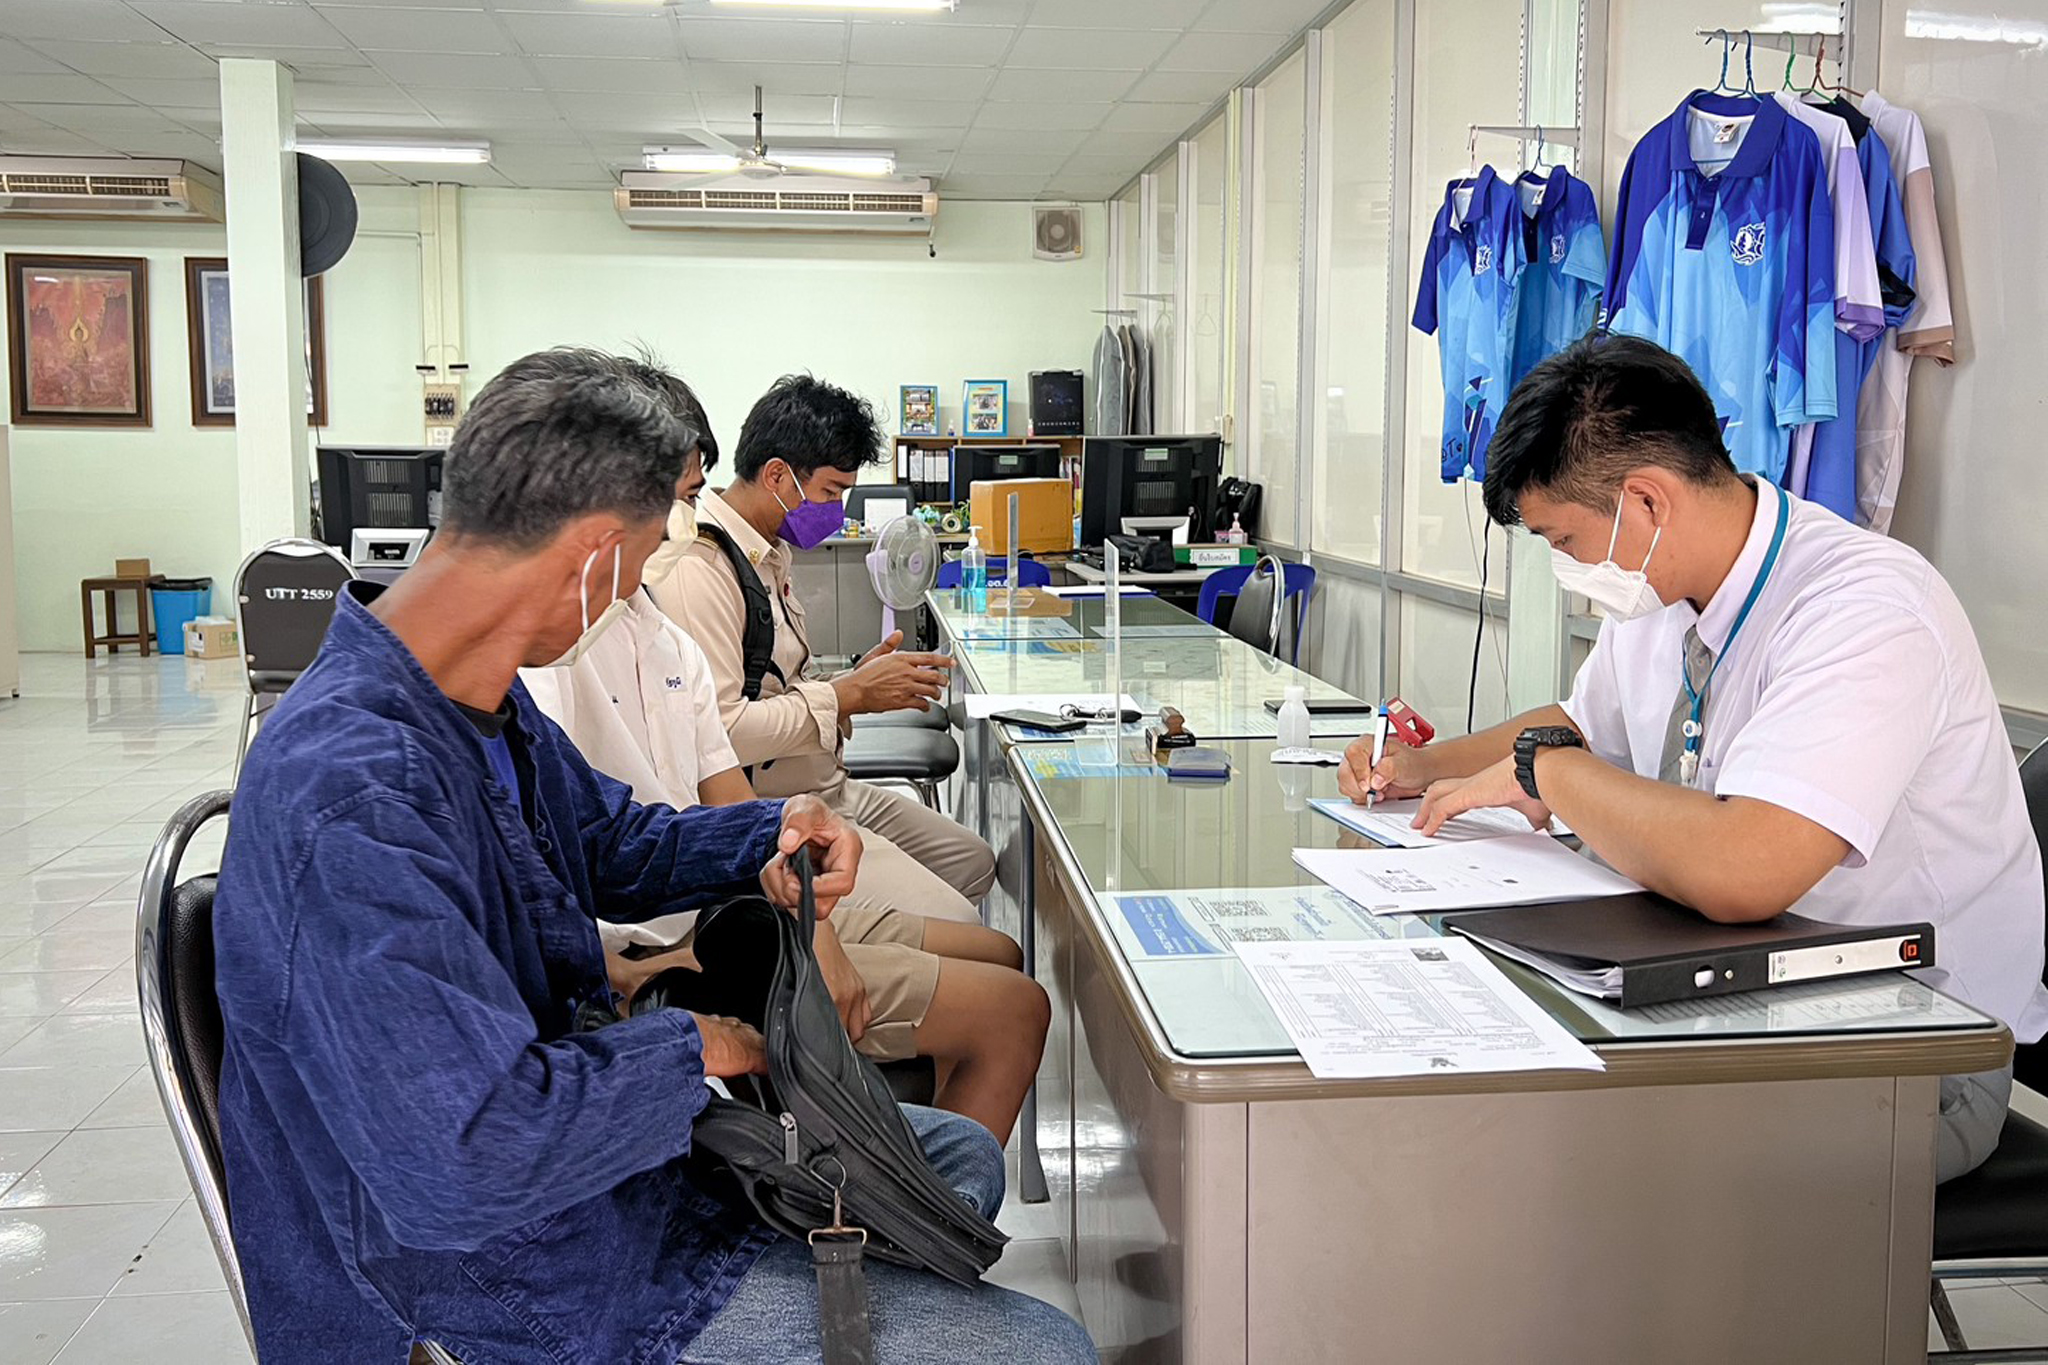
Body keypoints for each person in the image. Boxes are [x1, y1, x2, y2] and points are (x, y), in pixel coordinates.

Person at [212, 349, 1094, 1363]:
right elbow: (465, 1162)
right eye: (635, 565)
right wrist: (697, 1048)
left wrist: (770, 831)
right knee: (1041, 1348)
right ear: (593, 553)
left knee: (948, 1164)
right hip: (493, 1276)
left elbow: (613, 842)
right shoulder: (352, 794)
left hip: (577, 1183)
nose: (636, 593)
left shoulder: (468, 706)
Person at [1340, 334, 2047, 1184]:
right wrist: (1424, 768)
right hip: (1738, 992)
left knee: (1559, 1152)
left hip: (1911, 1054)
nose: (1566, 567)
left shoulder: (1867, 610)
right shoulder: (1665, 583)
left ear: (1646, 501)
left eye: (1564, 540)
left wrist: (1550, 773)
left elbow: (1740, 867)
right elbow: (1574, 723)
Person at [519, 352, 1048, 1141]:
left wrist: (814, 925)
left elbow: (719, 804)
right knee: (1014, 1007)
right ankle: (913, 1192)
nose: (674, 528)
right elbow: (594, 858)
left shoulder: (664, 633)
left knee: (998, 951)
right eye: (672, 501)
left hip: (748, 887)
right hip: (698, 926)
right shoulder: (572, 642)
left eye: (687, 498)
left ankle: (905, 1164)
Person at [651, 373, 999, 910]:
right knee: (963, 921)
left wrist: (851, 684)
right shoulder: (701, 569)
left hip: (826, 783)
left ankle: (891, 954)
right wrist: (846, 695)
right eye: (831, 493)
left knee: (971, 861)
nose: (837, 511)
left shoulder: (769, 553)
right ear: (776, 476)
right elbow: (721, 734)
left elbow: (778, 685)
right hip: (779, 809)